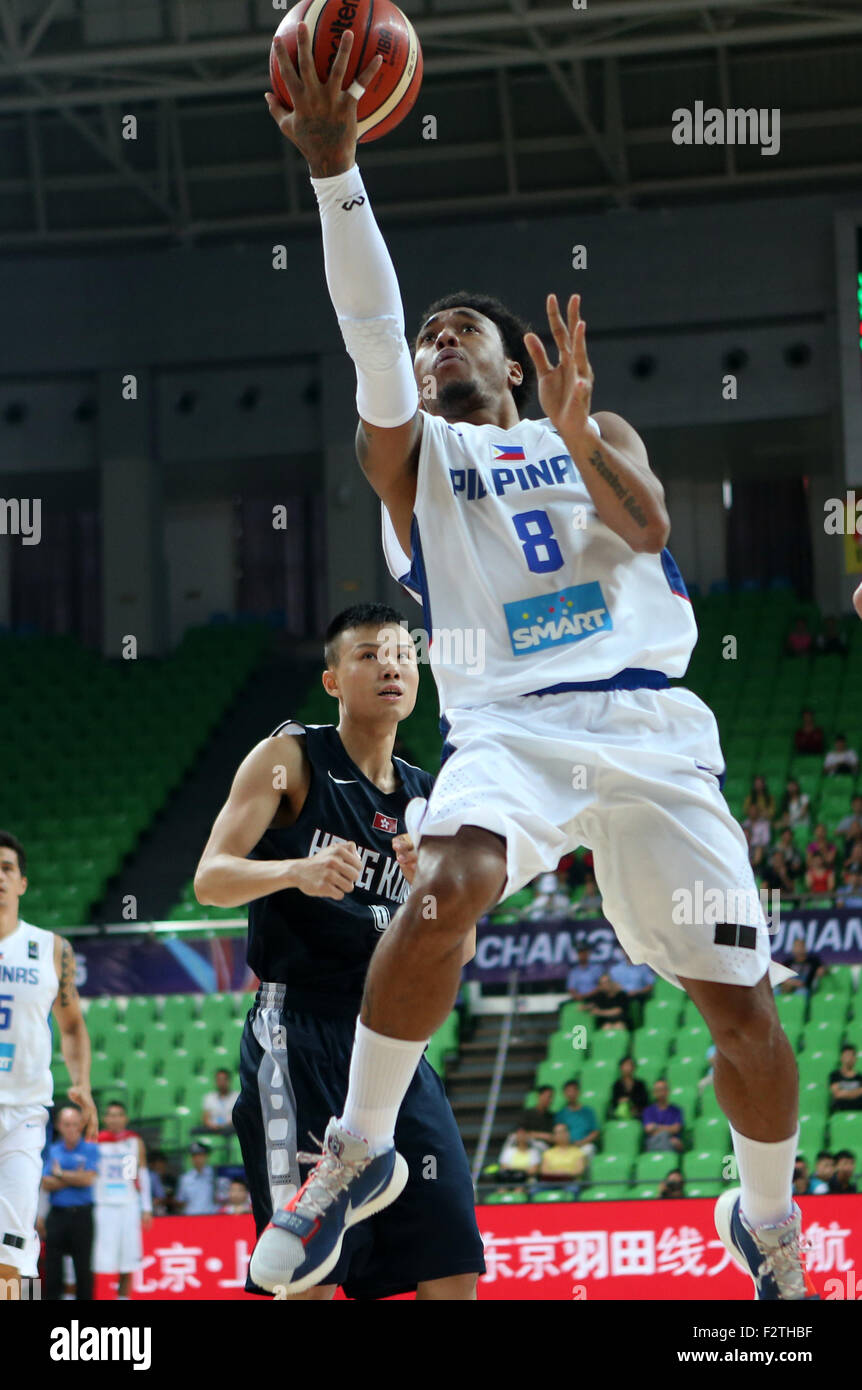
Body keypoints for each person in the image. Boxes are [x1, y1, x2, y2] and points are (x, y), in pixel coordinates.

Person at [253, 26, 813, 1301]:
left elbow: (651, 529)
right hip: (510, 723)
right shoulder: (415, 463)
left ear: (516, 361)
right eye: (436, 334)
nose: (441, 340)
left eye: (466, 332)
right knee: (444, 882)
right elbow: (370, 326)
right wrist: (338, 174)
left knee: (743, 1019)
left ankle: (768, 1220)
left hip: (655, 729)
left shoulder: (589, 429)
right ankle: (356, 1150)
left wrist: (577, 433)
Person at [194, 603, 484, 1301]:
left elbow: (462, 946)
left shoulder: (430, 799)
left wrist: (428, 895)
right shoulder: (289, 758)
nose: (390, 665)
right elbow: (211, 878)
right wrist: (292, 871)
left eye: (402, 655)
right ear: (331, 679)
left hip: (392, 1040)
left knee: (452, 1260)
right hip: (299, 1033)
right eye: (367, 654)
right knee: (310, 1276)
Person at [0, 830, 97, 1298]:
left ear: (22, 883)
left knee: (14, 1246)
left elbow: (74, 1026)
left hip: (23, 1113)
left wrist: (82, 1085)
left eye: (7, 869)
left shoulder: (51, 949)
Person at [93, 1100, 152, 1299]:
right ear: (105, 1118)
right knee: (99, 1256)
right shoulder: (96, 1141)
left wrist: (147, 1208)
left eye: (119, 1114)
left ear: (125, 1118)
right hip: (103, 1205)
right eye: (111, 1114)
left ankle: (123, 1297)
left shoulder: (133, 1141)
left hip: (128, 1204)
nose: (115, 1119)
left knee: (129, 1257)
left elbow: (140, 1175)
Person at [41, 1105, 99, 1301]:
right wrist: (75, 1176)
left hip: (82, 1215)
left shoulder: (91, 1149)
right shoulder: (51, 1150)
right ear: (58, 1126)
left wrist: (59, 1174)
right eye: (66, 1124)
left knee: (83, 1267)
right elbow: (46, 1183)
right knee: (52, 1267)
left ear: (81, 1125)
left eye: (75, 1124)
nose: (71, 1129)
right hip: (57, 1214)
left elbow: (88, 1179)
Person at [554, 1080, 599, 1157]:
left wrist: (581, 1142)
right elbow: (558, 1133)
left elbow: (595, 1132)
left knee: (589, 1149)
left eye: (574, 1090)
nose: (571, 1094)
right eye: (568, 1091)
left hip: (584, 1145)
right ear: (564, 1093)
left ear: (578, 1092)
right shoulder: (560, 1114)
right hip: (566, 1146)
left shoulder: (588, 1112)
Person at [174, 1142, 219, 1217]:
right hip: (191, 1217)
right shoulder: (185, 1179)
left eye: (200, 1156)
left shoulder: (215, 1176)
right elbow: (180, 1200)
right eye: (194, 1156)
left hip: (211, 1217)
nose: (197, 1159)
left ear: (206, 1157)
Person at [641, 1079, 684, 1153]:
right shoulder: (648, 1111)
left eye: (662, 1089)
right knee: (665, 1138)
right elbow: (648, 1129)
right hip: (654, 1141)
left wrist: (656, 1127)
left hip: (671, 1141)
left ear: (668, 1091)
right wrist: (668, 1130)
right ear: (654, 1092)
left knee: (672, 1142)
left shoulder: (676, 1110)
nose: (660, 1092)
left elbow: (676, 1129)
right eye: (657, 1090)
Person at [200, 1068, 240, 1136]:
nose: (221, 1082)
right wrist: (211, 1125)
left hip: (230, 1127)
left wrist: (223, 1126)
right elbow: (205, 1117)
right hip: (212, 1128)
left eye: (224, 1079)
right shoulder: (209, 1097)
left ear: (229, 1081)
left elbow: (238, 1117)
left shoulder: (237, 1097)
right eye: (219, 1080)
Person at [742, 776, 775, 849]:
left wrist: (760, 813)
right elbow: (745, 810)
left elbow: (771, 812)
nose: (758, 786)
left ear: (763, 785)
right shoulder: (750, 798)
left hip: (764, 821)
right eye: (756, 784)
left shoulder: (769, 798)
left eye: (760, 784)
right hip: (752, 822)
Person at [829, 1045, 862, 1112]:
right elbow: (837, 1094)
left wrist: (844, 1093)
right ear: (841, 1057)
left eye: (851, 1056)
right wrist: (856, 1093)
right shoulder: (834, 1075)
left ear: (855, 1059)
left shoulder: (860, 1077)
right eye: (847, 1055)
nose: (849, 1058)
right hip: (840, 1110)